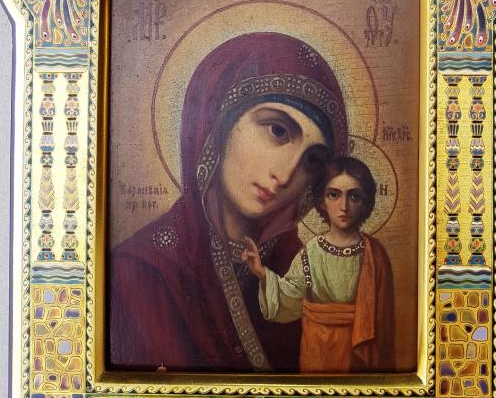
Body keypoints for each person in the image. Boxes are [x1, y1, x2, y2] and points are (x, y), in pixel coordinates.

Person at [110, 32, 349, 372]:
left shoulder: (300, 272)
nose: (285, 175)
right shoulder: (140, 272)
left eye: (312, 160)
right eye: (278, 130)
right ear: (217, 121)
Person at [243, 156, 395, 373]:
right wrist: (261, 273)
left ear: (365, 202)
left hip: (361, 358)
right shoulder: (311, 252)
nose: (344, 206)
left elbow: (385, 322)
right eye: (334, 195)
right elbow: (289, 300)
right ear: (322, 201)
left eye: (354, 196)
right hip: (318, 352)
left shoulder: (375, 253)